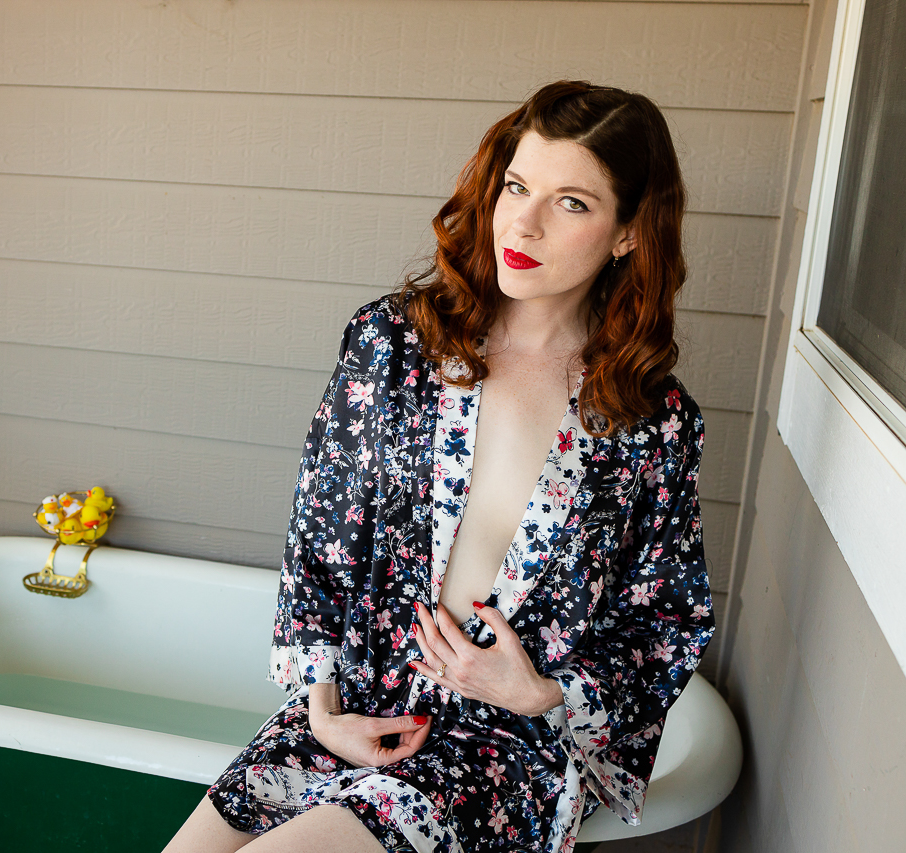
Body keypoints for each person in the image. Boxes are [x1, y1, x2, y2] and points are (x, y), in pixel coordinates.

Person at [163, 80, 715, 853]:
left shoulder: (650, 420)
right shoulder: (394, 344)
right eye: (518, 187)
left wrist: (547, 691)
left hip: (503, 742)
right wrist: (320, 706)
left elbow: (666, 618)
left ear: (628, 233)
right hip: (360, 702)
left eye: (572, 203)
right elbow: (320, 535)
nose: (522, 221)